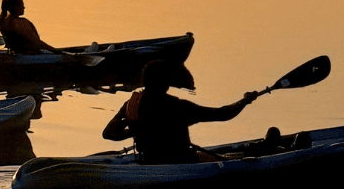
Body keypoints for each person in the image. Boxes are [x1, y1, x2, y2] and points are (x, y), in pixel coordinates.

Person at [102, 60, 258, 164]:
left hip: (149, 160)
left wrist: (131, 130)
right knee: (231, 158)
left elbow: (108, 134)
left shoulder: (131, 104)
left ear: (144, 81)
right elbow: (223, 114)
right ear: (166, 82)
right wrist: (245, 100)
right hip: (183, 162)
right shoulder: (177, 106)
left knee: (229, 156)